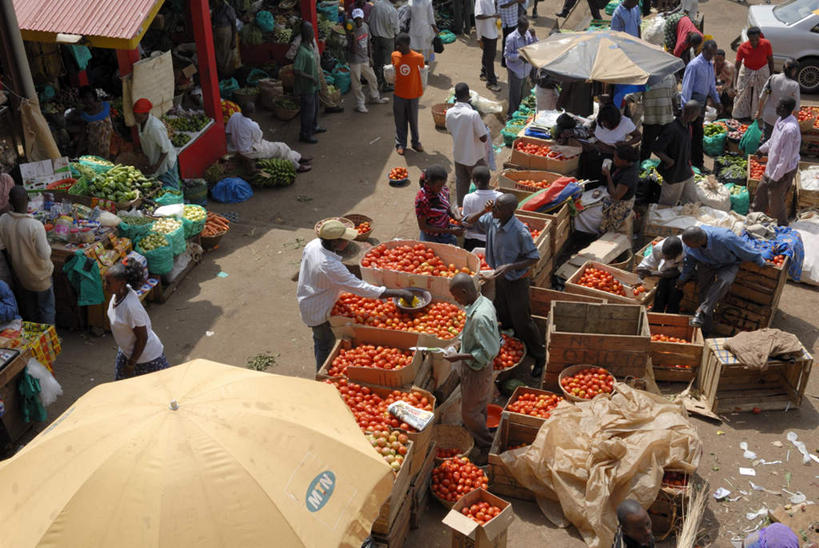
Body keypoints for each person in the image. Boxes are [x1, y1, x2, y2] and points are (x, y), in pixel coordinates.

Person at [297, 220, 413, 368]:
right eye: (345, 239)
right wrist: (399, 293)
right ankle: (321, 375)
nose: (348, 242)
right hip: (318, 309)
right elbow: (361, 289)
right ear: (335, 242)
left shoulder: (313, 244)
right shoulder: (329, 265)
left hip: (311, 295)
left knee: (322, 340)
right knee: (324, 344)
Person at [462, 194, 546, 377]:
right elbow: (467, 221)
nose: (494, 210)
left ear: (510, 211)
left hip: (516, 280)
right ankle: (512, 343)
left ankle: (539, 356)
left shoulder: (520, 231)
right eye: (494, 207)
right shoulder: (493, 219)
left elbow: (533, 257)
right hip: (499, 277)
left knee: (522, 320)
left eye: (498, 208)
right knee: (503, 313)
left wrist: (510, 266)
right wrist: (484, 210)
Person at [443, 273, 501, 464]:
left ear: (465, 291)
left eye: (457, 296)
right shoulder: (483, 302)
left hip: (477, 369)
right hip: (481, 369)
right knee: (479, 406)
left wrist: (457, 356)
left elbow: (485, 353)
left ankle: (486, 447)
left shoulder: (479, 318)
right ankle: (482, 433)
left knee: (469, 412)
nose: (456, 300)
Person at [678, 225, 765, 331]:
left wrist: (760, 261)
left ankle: (701, 311)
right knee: (704, 293)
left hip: (728, 263)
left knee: (725, 281)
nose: (687, 247)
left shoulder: (725, 237)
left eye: (689, 245)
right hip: (706, 263)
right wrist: (683, 278)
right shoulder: (690, 244)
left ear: (698, 242)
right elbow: (689, 261)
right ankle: (704, 328)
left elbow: (744, 249)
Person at [105, 260, 170, 380]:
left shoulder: (130, 307)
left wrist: (131, 364)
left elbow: (142, 337)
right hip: (127, 352)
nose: (105, 286)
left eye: (108, 283)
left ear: (122, 283)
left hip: (146, 358)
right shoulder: (118, 295)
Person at [0, 187, 54, 325]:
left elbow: (2, 246)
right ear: (28, 201)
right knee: (46, 309)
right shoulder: (35, 225)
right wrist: (47, 244)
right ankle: (49, 341)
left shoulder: (3, 220)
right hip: (41, 277)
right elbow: (44, 254)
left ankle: (34, 339)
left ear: (10, 202)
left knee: (31, 311)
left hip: (21, 274)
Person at [753, 97, 800, 226]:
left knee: (776, 201)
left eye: (778, 106)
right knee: (761, 192)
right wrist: (762, 149)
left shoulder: (789, 129)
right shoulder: (780, 120)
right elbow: (773, 140)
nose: (776, 108)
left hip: (783, 171)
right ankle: (754, 216)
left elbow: (785, 158)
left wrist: (776, 177)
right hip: (772, 166)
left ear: (784, 109)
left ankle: (782, 225)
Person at [226, 103, 312, 173]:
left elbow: (228, 132)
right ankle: (297, 166)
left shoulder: (234, 116)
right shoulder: (252, 125)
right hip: (249, 150)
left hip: (239, 147)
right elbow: (258, 139)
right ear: (252, 112)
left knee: (283, 148)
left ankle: (298, 157)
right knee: (281, 147)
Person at [446, 83, 489, 206]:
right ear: (468, 96)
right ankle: (481, 209)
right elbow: (483, 138)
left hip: (459, 156)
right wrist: (484, 128)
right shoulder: (472, 114)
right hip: (474, 157)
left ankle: (461, 210)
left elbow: (449, 130)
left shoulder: (449, 112)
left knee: (462, 184)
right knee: (482, 185)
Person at [681, 40, 720, 171]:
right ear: (703, 50)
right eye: (709, 53)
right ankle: (690, 163)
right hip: (693, 103)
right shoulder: (694, 65)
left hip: (702, 103)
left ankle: (697, 163)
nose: (711, 56)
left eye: (713, 54)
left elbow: (711, 86)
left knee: (698, 134)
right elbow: (687, 88)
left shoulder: (709, 64)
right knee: (691, 134)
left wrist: (717, 101)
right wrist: (684, 108)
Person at [653, 101, 700, 206]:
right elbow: (656, 148)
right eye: (697, 114)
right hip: (674, 174)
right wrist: (669, 161)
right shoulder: (672, 128)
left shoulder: (688, 126)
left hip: (686, 171)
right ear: (692, 114)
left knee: (692, 202)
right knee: (667, 206)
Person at [286, 32, 344, 114]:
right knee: (311, 94)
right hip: (308, 71)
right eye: (308, 29)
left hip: (317, 67)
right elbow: (289, 55)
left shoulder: (311, 37)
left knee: (323, 87)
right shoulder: (298, 42)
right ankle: (311, 114)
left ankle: (329, 106)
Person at [349, 9, 390, 113]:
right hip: (355, 60)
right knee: (357, 83)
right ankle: (360, 104)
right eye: (356, 19)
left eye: (360, 18)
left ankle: (374, 97)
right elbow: (352, 50)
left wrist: (370, 57)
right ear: (353, 19)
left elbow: (368, 43)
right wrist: (353, 36)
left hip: (365, 59)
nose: (358, 21)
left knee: (372, 78)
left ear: (363, 18)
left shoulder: (366, 26)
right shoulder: (350, 30)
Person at [133, 98, 180, 189]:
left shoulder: (155, 127)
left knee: (172, 190)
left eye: (138, 117)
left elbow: (165, 150)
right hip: (155, 160)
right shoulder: (141, 122)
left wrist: (156, 166)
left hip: (166, 162)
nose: (136, 119)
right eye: (135, 116)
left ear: (146, 114)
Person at [392, 33, 426, 155]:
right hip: (399, 94)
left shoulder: (418, 57)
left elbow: (423, 71)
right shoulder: (394, 55)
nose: (397, 47)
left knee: (413, 120)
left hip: (413, 94)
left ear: (407, 45)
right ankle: (400, 143)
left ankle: (416, 142)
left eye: (400, 45)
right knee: (399, 120)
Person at [630, 73, 676, 161]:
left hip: (667, 120)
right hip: (650, 120)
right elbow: (634, 95)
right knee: (646, 149)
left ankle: (666, 170)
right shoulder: (646, 78)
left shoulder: (670, 76)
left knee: (667, 149)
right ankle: (642, 169)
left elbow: (674, 94)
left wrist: (678, 109)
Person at [294, 22, 325, 144]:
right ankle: (305, 134)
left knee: (315, 108)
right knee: (308, 111)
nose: (312, 31)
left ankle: (314, 126)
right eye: (310, 30)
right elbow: (296, 70)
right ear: (306, 33)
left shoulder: (310, 46)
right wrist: (310, 77)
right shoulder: (302, 51)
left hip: (314, 86)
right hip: (307, 87)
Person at [732, 27, 773, 121]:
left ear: (760, 37)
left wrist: (771, 77)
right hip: (747, 70)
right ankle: (741, 115)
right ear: (748, 38)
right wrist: (734, 84)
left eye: (756, 39)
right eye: (751, 40)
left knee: (761, 93)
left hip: (762, 69)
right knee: (742, 92)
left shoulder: (766, 44)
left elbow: (771, 61)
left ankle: (758, 115)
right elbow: (737, 66)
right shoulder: (742, 47)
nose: (754, 42)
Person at [756, 59, 800, 143]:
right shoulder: (794, 85)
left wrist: (759, 111)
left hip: (768, 116)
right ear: (793, 70)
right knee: (778, 143)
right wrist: (795, 124)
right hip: (783, 120)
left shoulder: (773, 78)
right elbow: (796, 108)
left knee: (765, 140)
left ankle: (761, 154)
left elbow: (762, 97)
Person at [415, 166, 463, 244]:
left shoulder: (444, 190)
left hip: (446, 231)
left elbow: (447, 207)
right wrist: (449, 231)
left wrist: (455, 216)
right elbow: (423, 227)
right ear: (429, 183)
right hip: (431, 237)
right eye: (438, 186)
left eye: (443, 184)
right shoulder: (422, 200)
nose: (441, 188)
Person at [637, 236, 684, 313]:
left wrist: (653, 273)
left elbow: (677, 272)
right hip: (665, 270)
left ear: (677, 254)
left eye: (669, 257)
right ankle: (657, 312)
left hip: (680, 272)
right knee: (661, 287)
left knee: (675, 289)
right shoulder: (658, 248)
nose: (665, 258)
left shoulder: (685, 253)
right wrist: (640, 277)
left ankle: (671, 314)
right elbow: (645, 265)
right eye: (664, 256)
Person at [600, 144, 639, 234]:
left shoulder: (628, 175)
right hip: (621, 197)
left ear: (624, 161)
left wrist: (608, 175)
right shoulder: (626, 166)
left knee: (610, 226)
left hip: (620, 204)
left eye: (616, 157)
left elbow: (616, 196)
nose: (614, 159)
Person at [462, 166, 502, 251]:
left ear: (474, 180)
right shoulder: (500, 197)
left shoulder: (468, 198)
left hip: (472, 241)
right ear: (489, 179)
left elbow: (466, 223)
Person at [504, 16, 537, 119]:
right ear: (519, 27)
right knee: (514, 93)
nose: (525, 31)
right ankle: (512, 114)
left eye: (527, 28)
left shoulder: (528, 34)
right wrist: (519, 56)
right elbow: (507, 55)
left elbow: (534, 46)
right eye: (524, 29)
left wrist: (534, 36)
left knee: (522, 92)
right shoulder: (511, 38)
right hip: (515, 70)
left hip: (525, 69)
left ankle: (519, 111)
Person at [369, 0, 400, 92]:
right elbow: (396, 29)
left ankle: (377, 82)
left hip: (375, 37)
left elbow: (370, 20)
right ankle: (387, 84)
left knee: (377, 61)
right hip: (388, 38)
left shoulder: (376, 4)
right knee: (387, 63)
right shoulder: (392, 10)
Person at [78, 86, 113, 159]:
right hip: (95, 149)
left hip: (109, 144)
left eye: (88, 97)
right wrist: (78, 151)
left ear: (94, 96)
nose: (86, 101)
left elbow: (112, 122)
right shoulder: (85, 115)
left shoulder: (106, 105)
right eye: (83, 99)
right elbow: (83, 133)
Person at [475, 0, 501, 92]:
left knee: (487, 54)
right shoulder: (480, 1)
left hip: (492, 31)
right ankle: (491, 82)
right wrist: (493, 16)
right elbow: (478, 16)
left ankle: (484, 73)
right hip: (486, 33)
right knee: (490, 57)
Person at [212, 0, 238, 78]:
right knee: (219, 54)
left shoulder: (228, 9)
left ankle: (228, 75)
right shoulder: (215, 10)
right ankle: (221, 73)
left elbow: (234, 24)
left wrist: (233, 39)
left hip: (226, 33)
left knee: (227, 54)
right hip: (217, 33)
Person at [499, 0, 527, 68]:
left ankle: (512, 59)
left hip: (514, 19)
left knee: (514, 41)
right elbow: (502, 5)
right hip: (507, 22)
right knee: (507, 41)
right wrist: (515, 1)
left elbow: (523, 1)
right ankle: (505, 62)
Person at [713, 49, 736, 114]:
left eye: (721, 60)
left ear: (724, 58)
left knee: (728, 93)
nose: (718, 62)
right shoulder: (711, 65)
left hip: (728, 89)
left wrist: (717, 88)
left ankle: (728, 106)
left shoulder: (729, 67)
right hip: (716, 86)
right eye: (716, 60)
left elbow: (729, 84)